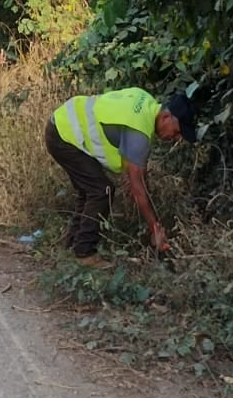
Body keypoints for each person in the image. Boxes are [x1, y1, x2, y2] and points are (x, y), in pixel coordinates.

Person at [45, 88, 197, 266]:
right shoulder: (139, 132)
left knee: (90, 192)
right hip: (64, 135)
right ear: (166, 117)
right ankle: (84, 255)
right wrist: (155, 228)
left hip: (62, 125)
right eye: (178, 132)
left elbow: (136, 177)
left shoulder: (145, 102)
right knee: (102, 191)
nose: (177, 138)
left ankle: (71, 247)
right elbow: (137, 187)